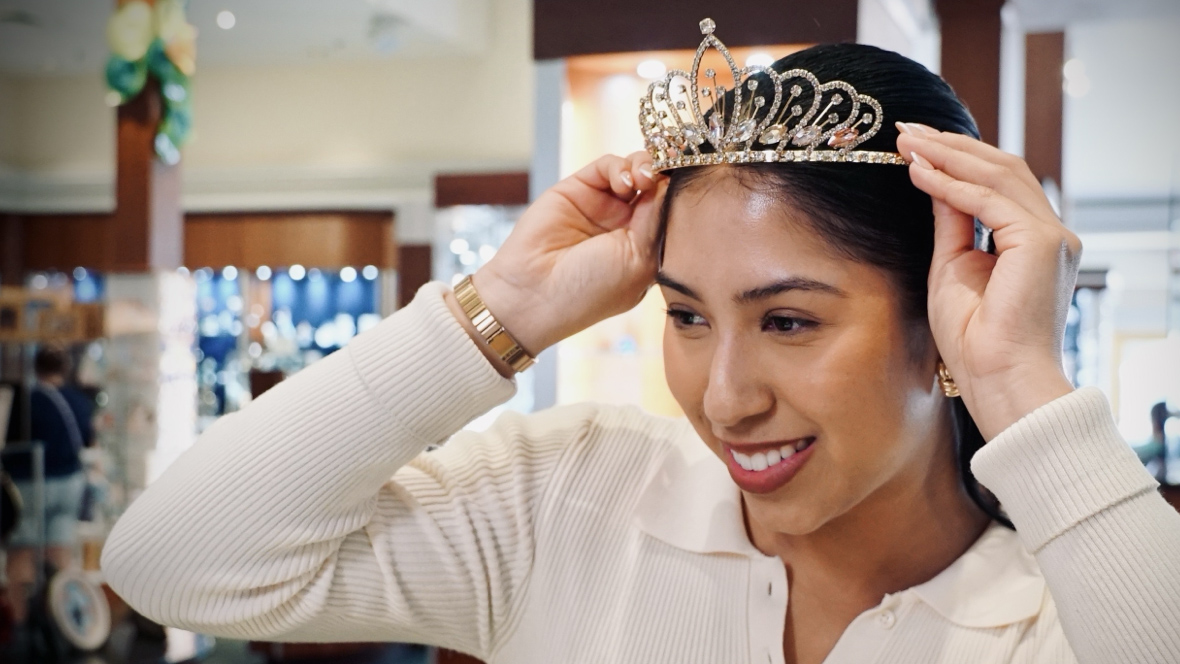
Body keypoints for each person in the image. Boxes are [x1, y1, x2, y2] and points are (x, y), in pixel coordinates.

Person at [101, 24, 1180, 664]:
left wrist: (1017, 382)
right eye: (687, 314)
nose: (723, 397)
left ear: (940, 318)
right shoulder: (569, 496)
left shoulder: (1070, 604)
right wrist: (500, 311)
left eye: (788, 320)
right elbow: (174, 558)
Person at [4, 346, 93, 626]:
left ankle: (16, 624)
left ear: (36, 367)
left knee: (22, 553)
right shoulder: (78, 400)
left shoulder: (27, 402)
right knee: (61, 555)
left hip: (31, 487)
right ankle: (68, 623)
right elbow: (89, 441)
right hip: (71, 483)